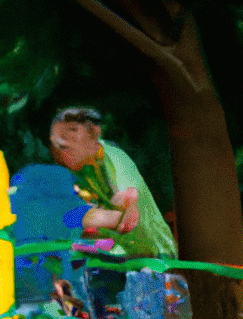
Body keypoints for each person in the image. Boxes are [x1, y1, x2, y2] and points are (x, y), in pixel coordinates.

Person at [50, 106, 177, 259]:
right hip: (126, 254)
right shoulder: (85, 170)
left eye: (66, 145)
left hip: (155, 253)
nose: (61, 153)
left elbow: (128, 203)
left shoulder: (114, 158)